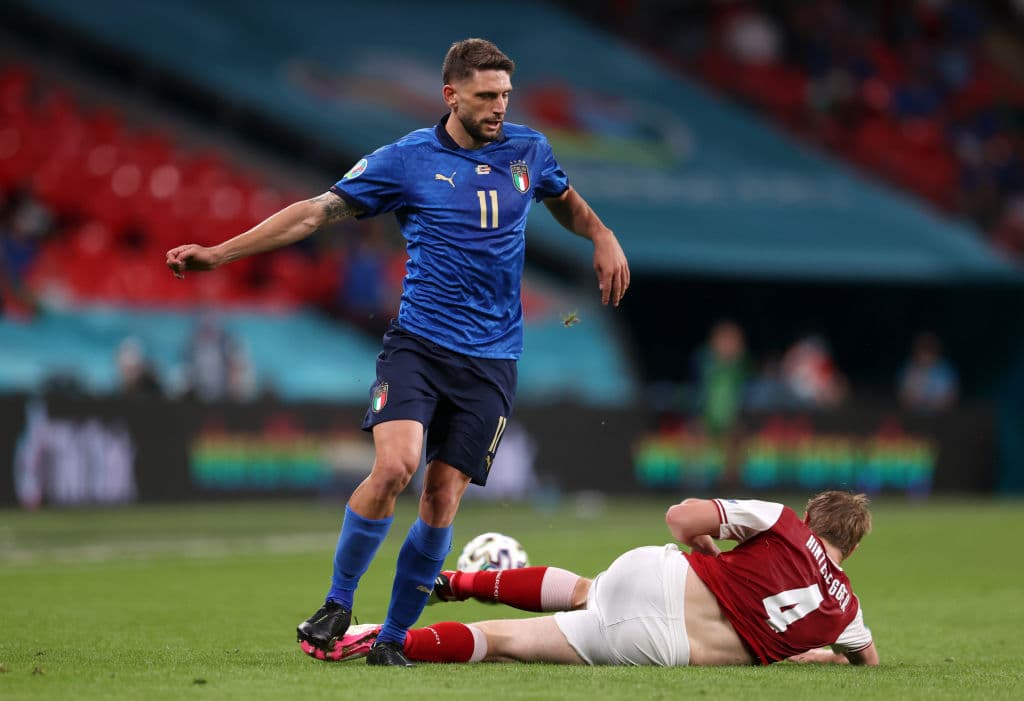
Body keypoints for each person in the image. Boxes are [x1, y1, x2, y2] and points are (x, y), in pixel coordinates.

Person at [165, 38, 629, 667]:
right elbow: (313, 213)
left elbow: (564, 201)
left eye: (505, 96)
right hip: (419, 345)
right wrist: (219, 253)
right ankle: (337, 602)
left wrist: (601, 234)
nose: (499, 107)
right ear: (451, 96)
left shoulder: (529, 150)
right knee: (394, 468)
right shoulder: (407, 160)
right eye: (486, 96)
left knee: (442, 499)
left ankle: (393, 642)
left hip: (492, 361)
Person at [302, 491, 878, 668]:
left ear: (811, 519)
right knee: (501, 642)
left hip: (655, 577)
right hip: (661, 649)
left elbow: (680, 518)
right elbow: (866, 666)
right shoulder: (846, 613)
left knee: (587, 590)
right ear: (851, 547)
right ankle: (380, 637)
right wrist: (820, 657)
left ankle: (458, 581)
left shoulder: (780, 522)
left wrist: (709, 544)